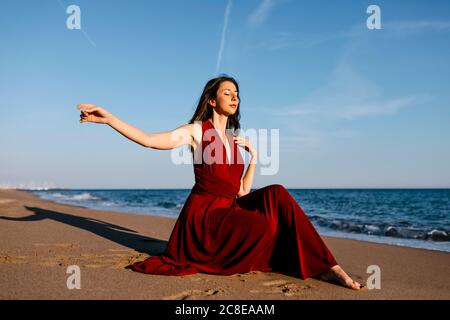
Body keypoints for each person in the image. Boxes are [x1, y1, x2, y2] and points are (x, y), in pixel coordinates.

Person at [77, 75, 364, 290]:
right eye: (227, 92)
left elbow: (240, 191)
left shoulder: (233, 140)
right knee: (262, 225)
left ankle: (328, 265)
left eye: (236, 93)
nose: (234, 96)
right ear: (212, 100)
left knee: (277, 193)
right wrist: (109, 119)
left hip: (229, 208)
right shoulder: (196, 131)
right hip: (205, 218)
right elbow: (150, 141)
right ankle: (293, 260)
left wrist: (254, 158)